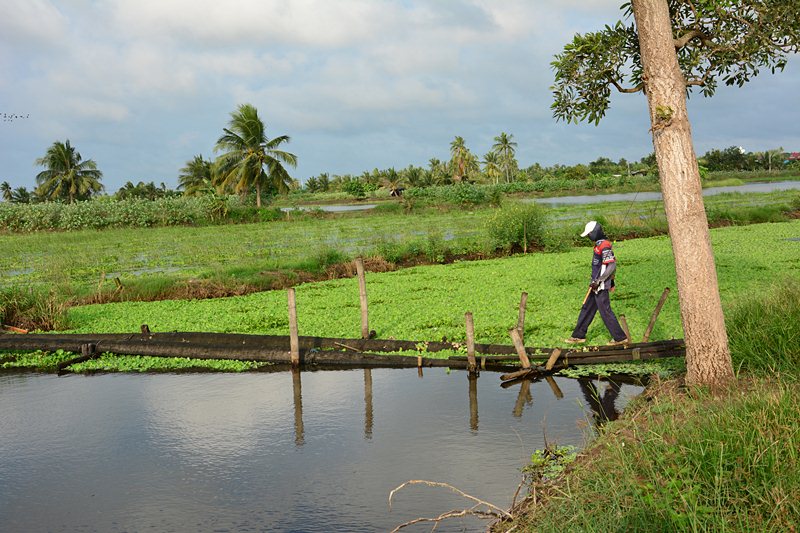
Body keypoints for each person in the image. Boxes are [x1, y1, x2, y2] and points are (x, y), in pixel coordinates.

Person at [565, 220, 627, 345]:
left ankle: (620, 338)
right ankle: (578, 335)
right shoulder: (598, 245)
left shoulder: (604, 245)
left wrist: (600, 281)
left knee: (605, 311)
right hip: (595, 284)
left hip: (600, 285)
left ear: (595, 232)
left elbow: (612, 265)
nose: (588, 237)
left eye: (589, 234)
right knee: (587, 308)